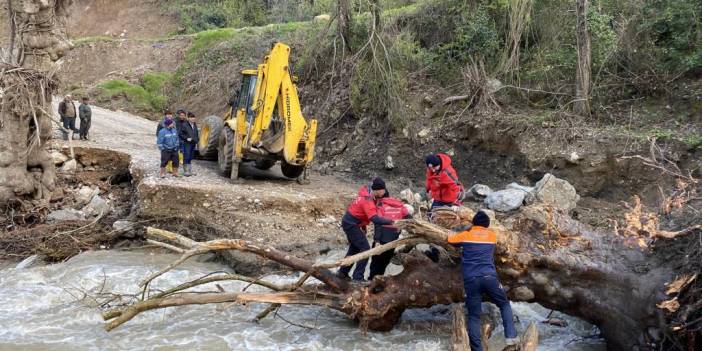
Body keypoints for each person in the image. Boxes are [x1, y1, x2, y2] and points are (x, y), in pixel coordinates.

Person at [447, 211, 519, 351]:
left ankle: (477, 348)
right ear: (487, 225)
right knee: (504, 304)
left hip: (471, 280)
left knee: (474, 315)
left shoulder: (466, 235)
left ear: (473, 223)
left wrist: (459, 230)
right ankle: (510, 336)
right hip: (489, 278)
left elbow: (450, 239)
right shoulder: (492, 236)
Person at [337, 178, 395, 282]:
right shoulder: (368, 200)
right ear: (377, 190)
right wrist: (392, 222)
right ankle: (358, 277)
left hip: (351, 222)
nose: (384, 192)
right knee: (365, 249)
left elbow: (359, 212)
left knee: (354, 249)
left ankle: (342, 273)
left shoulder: (370, 193)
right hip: (351, 224)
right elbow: (375, 219)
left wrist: (363, 227)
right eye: (383, 190)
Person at [368, 196, 411, 280]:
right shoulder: (401, 206)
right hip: (393, 239)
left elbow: (378, 223)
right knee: (384, 262)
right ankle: (379, 279)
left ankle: (371, 280)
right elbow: (410, 219)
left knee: (375, 262)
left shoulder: (381, 205)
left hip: (381, 237)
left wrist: (377, 240)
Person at [179, 111, 199, 177]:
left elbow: (196, 133)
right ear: (188, 118)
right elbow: (180, 134)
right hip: (187, 143)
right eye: (191, 117)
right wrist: (186, 138)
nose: (193, 119)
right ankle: (186, 171)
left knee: (191, 156)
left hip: (193, 143)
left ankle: (189, 170)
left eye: (194, 118)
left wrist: (197, 140)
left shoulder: (195, 125)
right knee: (186, 156)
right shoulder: (184, 125)